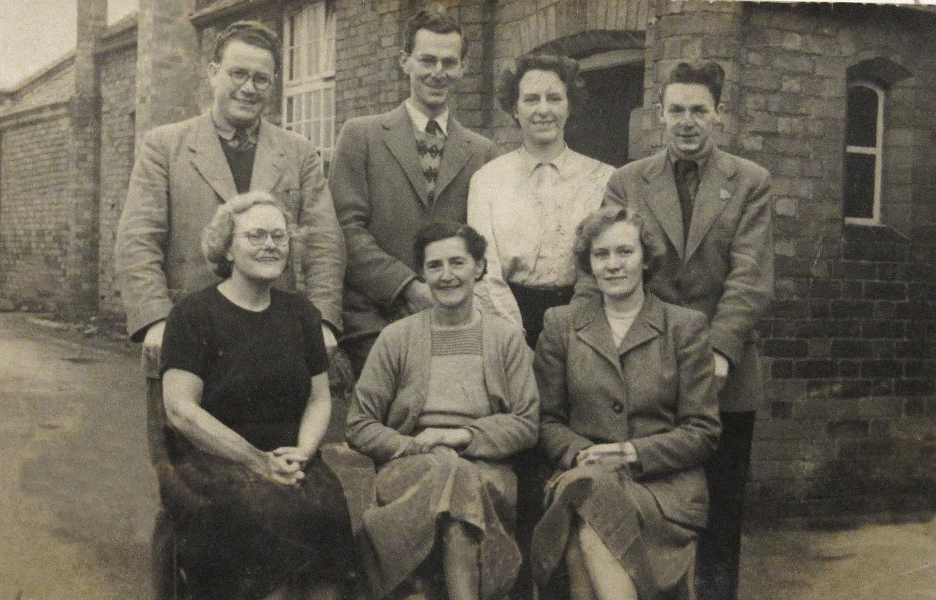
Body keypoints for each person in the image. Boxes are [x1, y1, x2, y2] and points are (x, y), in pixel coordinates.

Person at [114, 21, 345, 597]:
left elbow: (323, 240)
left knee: (288, 490)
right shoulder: (166, 147)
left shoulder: (297, 153)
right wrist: (157, 321)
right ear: (211, 73)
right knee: (186, 489)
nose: (249, 87)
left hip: (271, 346)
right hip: (191, 342)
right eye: (237, 73)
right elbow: (137, 238)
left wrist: (321, 322)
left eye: (261, 78)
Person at [602, 60, 774, 600]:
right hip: (648, 369)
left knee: (720, 514)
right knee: (649, 503)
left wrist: (717, 353)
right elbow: (607, 268)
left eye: (699, 110)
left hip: (725, 372)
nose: (687, 121)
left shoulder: (749, 182)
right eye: (676, 109)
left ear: (718, 114)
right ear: (659, 115)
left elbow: (749, 278)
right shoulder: (627, 181)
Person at [159, 191, 358, 600]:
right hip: (212, 460)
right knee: (266, 515)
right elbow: (181, 411)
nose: (270, 245)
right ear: (227, 249)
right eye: (256, 236)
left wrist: (304, 451)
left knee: (328, 506)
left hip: (288, 455)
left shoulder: (301, 312)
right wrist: (257, 461)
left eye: (279, 236)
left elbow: (320, 399)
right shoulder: (194, 314)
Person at [531, 206, 721, 600]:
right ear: (589, 263)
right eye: (601, 255)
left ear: (645, 259)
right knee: (591, 492)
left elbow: (702, 432)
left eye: (624, 252)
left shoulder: (684, 327)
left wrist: (629, 452)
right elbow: (546, 420)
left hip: (664, 490)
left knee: (585, 504)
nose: (613, 265)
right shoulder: (560, 325)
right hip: (585, 472)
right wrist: (584, 454)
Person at [346, 221, 539, 600]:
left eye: (458, 262)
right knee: (449, 476)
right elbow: (359, 423)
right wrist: (412, 446)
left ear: (480, 268)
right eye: (435, 266)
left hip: (487, 470)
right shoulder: (397, 337)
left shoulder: (506, 339)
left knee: (456, 476)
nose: (446, 275)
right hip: (410, 467)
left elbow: (526, 423)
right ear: (421, 273)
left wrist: (459, 438)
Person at [330, 9, 497, 376]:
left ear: (463, 68)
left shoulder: (482, 151)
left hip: (453, 315)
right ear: (404, 62)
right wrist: (406, 286)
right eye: (427, 60)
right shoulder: (362, 136)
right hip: (374, 319)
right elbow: (346, 229)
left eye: (449, 62)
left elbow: (483, 240)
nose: (438, 72)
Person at [468, 53, 615, 348]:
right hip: (507, 321)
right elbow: (486, 271)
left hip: (584, 323)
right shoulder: (487, 180)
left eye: (554, 98)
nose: (543, 110)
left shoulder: (603, 178)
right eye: (531, 99)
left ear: (569, 105)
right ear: (515, 108)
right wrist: (513, 340)